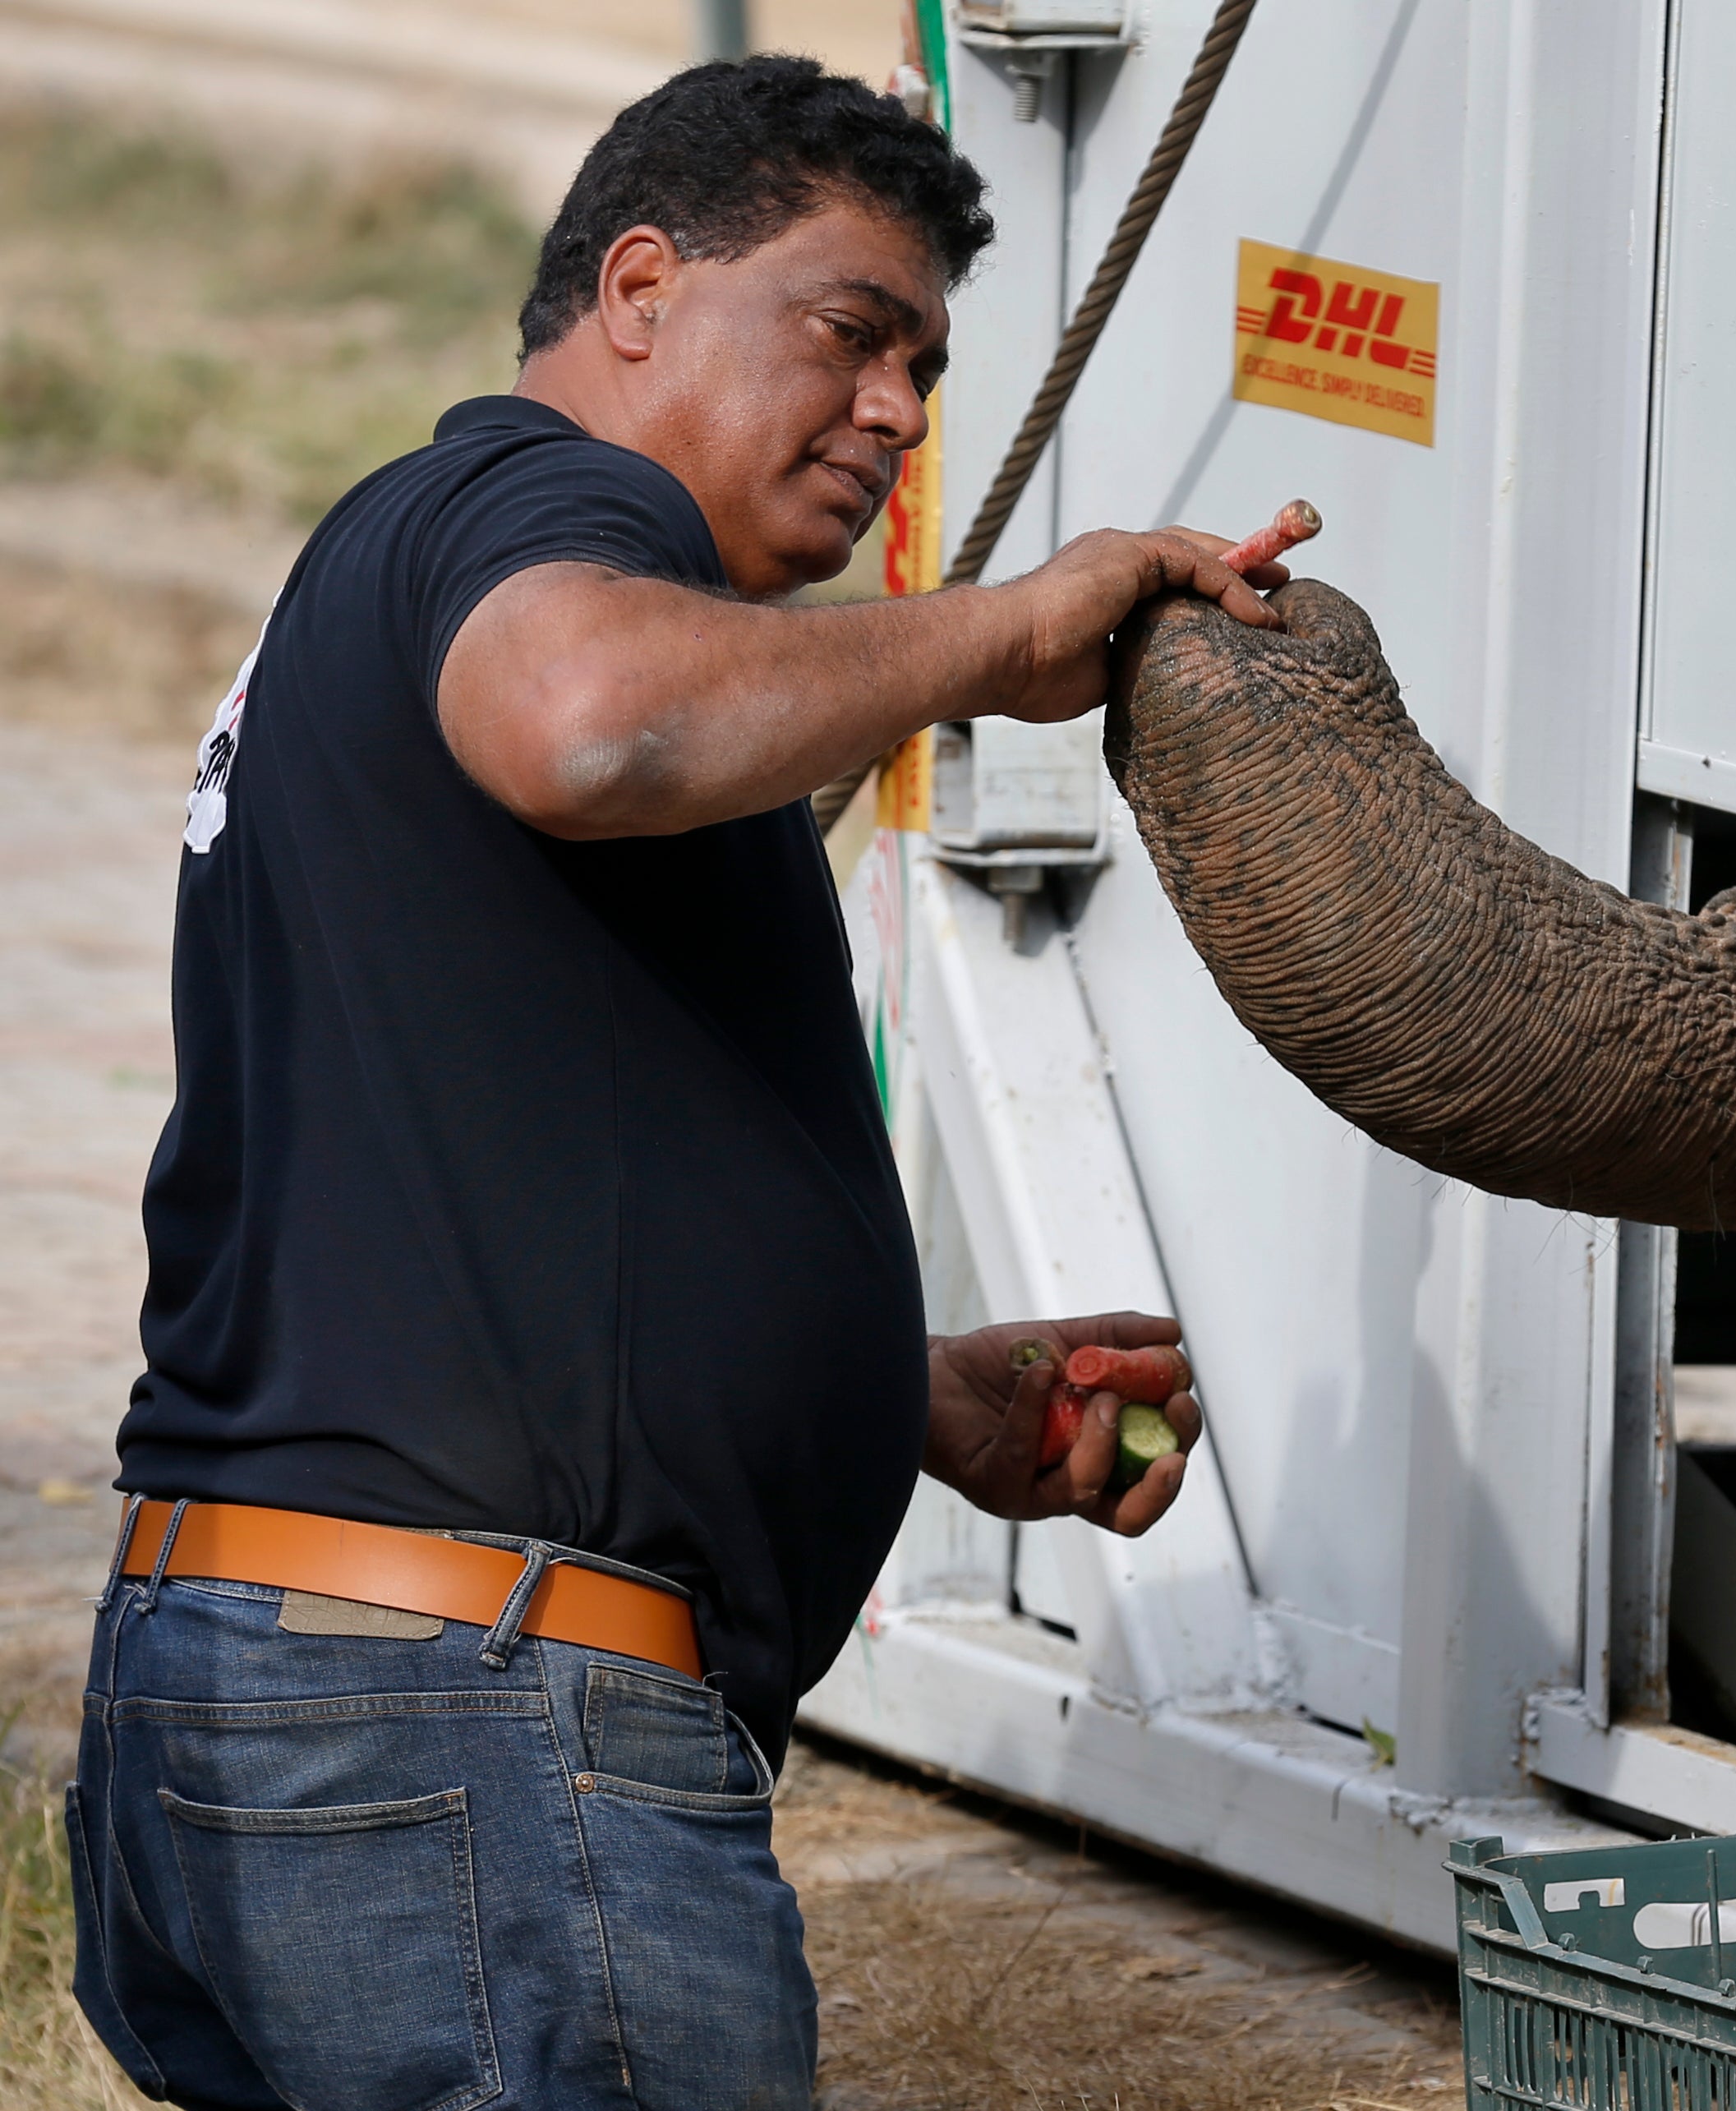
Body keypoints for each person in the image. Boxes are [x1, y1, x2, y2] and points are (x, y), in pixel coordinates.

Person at [67, 56, 1273, 2108]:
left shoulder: (419, 578)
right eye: (849, 333)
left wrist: (892, 1394)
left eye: (923, 365)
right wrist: (995, 635)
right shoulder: (553, 513)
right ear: (638, 285)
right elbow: (588, 720)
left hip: (307, 1696)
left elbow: (466, 1194)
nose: (896, 409)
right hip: (462, 1727)